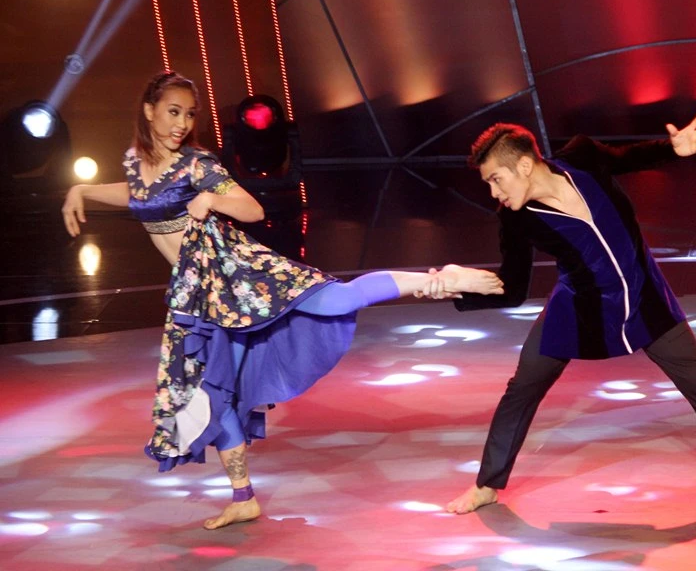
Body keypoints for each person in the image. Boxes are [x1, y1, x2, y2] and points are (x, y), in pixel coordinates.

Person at [62, 71, 503, 530]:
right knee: (214, 393)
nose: (182, 123)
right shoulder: (136, 162)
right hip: (197, 295)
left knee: (336, 301)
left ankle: (439, 279)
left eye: (189, 114)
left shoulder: (197, 165)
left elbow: (251, 208)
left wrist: (211, 198)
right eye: (174, 112)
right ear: (149, 111)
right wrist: (83, 190)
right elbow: (139, 194)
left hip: (237, 276)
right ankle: (243, 498)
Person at [442, 114, 696, 515]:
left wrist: (672, 148)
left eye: (496, 179)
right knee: (522, 389)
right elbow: (512, 289)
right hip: (578, 310)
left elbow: (628, 157)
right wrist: (459, 290)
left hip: (645, 298)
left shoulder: (583, 158)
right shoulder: (515, 219)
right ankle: (487, 485)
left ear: (524, 165)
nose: (494, 192)